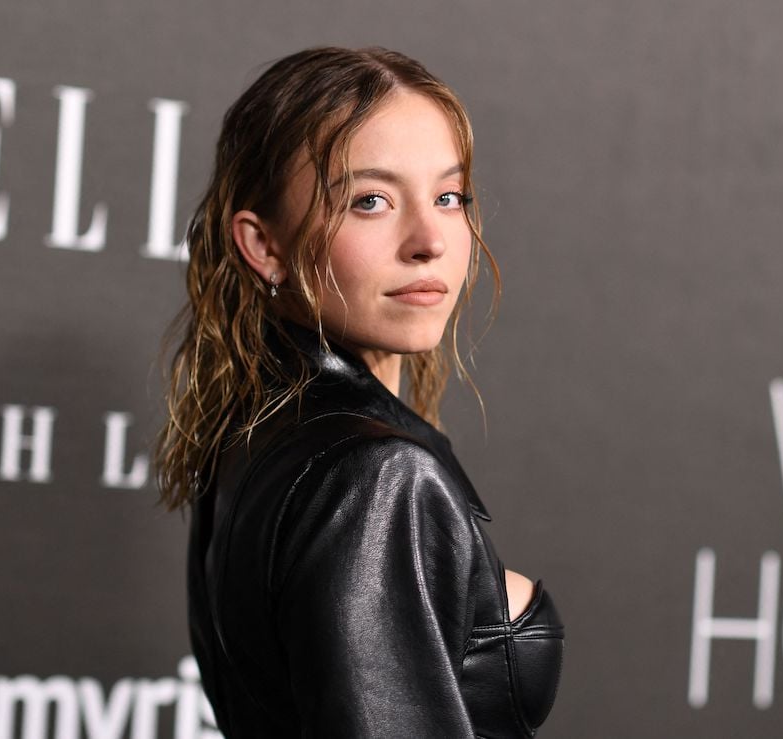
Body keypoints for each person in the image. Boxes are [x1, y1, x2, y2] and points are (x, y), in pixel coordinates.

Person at [155, 47, 564, 737]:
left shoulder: (251, 430)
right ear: (265, 246)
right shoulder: (375, 476)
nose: (430, 240)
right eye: (370, 201)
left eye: (449, 197)